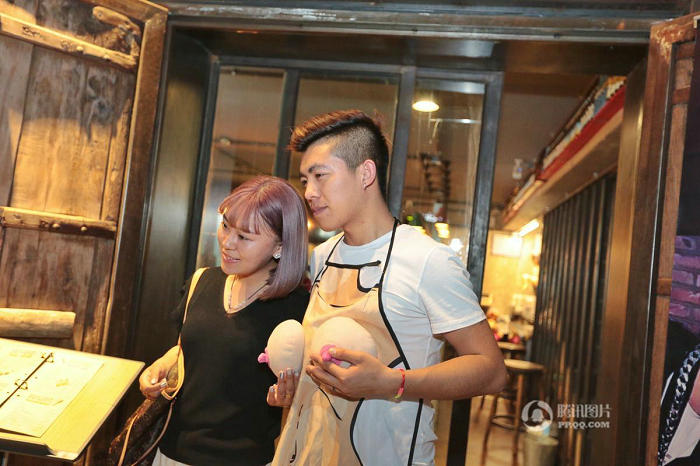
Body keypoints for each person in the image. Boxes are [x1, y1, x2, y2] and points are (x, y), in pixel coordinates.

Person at [270, 110, 507, 465]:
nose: (309, 193)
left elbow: (491, 371)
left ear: (366, 173)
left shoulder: (427, 260)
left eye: (320, 176)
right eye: (305, 180)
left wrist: (392, 382)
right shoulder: (322, 256)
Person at [138, 176, 309, 466]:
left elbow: (305, 396)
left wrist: (289, 399)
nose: (228, 243)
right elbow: (185, 349)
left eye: (245, 237)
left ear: (280, 247)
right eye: (226, 226)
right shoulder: (202, 281)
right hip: (169, 452)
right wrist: (160, 367)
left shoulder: (297, 308)